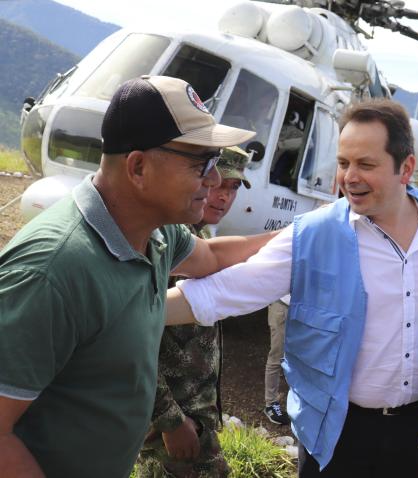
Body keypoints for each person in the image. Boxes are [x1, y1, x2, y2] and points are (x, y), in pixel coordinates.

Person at [166, 98, 418, 477]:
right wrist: (129, 309)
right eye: (344, 163)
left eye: (366, 164)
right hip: (337, 435)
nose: (349, 177)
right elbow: (225, 291)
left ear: (406, 168)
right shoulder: (316, 233)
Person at [0, 76, 277, 478]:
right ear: (139, 167)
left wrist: (303, 234)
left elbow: (213, 256)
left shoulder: (157, 233)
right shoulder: (51, 272)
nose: (214, 180)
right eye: (203, 163)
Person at [136, 146, 252, 477]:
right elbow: (136, 342)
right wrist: (171, 420)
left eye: (232, 188)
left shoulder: (196, 237)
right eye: (217, 184)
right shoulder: (171, 247)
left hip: (193, 418)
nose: (223, 196)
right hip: (170, 423)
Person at [264, 296, 291, 426]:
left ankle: (299, 404)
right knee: (277, 356)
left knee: (301, 358)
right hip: (281, 304)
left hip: (302, 306)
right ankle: (271, 404)